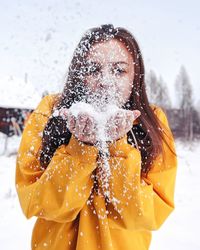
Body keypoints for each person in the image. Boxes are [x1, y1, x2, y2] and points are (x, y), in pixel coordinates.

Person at [15, 24, 178, 250]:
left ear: (135, 76)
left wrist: (117, 148)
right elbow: (38, 203)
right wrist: (81, 148)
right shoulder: (51, 111)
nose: (105, 81)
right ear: (79, 75)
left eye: (119, 70)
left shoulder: (151, 121)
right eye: (93, 70)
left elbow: (145, 215)